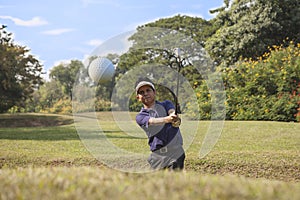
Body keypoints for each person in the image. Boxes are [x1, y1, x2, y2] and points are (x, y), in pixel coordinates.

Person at [135, 77, 185, 170]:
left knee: (173, 182)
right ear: (138, 98)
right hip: (157, 156)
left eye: (148, 90)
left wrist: (173, 115)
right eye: (141, 92)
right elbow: (152, 121)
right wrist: (168, 119)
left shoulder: (166, 104)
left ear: (154, 92)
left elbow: (171, 110)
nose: (145, 93)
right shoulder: (140, 116)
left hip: (175, 153)